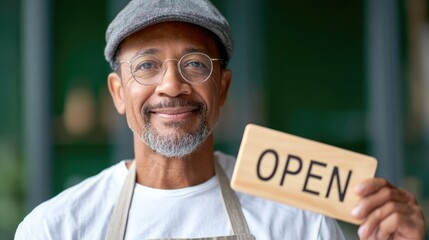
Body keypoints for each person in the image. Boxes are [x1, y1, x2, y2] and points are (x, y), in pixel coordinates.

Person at [15, 0, 426, 239]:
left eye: (195, 64)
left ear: (223, 89)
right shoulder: (56, 228)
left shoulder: (299, 217)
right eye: (146, 65)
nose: (172, 85)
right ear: (118, 93)